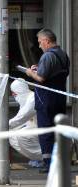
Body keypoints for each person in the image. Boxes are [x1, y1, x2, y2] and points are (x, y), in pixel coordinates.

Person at [26, 28, 70, 173]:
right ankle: (61, 161)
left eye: (40, 42)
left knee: (45, 131)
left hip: (46, 100)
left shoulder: (47, 56)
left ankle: (49, 163)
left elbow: (41, 78)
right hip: (60, 98)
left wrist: (30, 73)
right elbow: (55, 73)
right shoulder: (63, 55)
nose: (39, 46)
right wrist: (39, 69)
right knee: (58, 130)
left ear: (46, 41)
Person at [9, 79, 42, 167]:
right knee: (10, 134)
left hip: (47, 129)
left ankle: (46, 157)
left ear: (20, 91)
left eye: (14, 93)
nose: (13, 95)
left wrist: (2, 125)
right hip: (38, 128)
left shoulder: (32, 99)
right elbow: (19, 119)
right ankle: (38, 157)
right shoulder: (25, 100)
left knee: (22, 135)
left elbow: (21, 118)